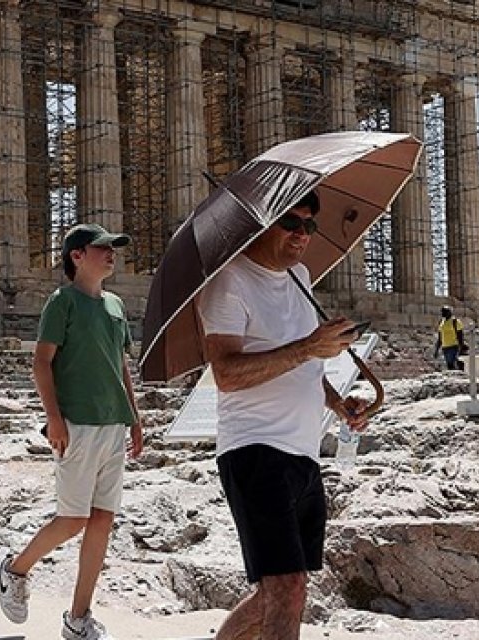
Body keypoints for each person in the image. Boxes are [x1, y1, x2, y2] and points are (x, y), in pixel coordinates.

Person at [196, 192, 369, 640]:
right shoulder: (228, 283)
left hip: (303, 451)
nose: (301, 235)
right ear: (261, 224)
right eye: (291, 223)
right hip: (254, 450)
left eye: (309, 226)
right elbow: (227, 373)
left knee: (282, 591)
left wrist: (335, 401)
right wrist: (311, 346)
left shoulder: (300, 277)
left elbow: (303, 364)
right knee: (286, 588)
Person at [0, 224, 142, 640]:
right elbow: (41, 363)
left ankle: (78, 618)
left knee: (101, 522)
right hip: (77, 424)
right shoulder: (62, 303)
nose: (112, 254)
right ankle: (15, 569)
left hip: (113, 424)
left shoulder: (114, 305)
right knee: (73, 519)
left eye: (114, 248)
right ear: (77, 256)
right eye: (103, 248)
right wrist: (54, 419)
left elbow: (121, 366)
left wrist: (134, 418)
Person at [432, 306, 467, 371]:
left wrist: (461, 348)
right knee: (449, 366)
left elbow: (460, 336)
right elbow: (440, 338)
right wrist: (436, 350)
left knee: (453, 365)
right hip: (445, 347)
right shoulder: (441, 323)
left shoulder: (455, 322)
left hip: (454, 346)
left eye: (444, 312)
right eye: (442, 312)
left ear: (449, 312)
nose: (442, 313)